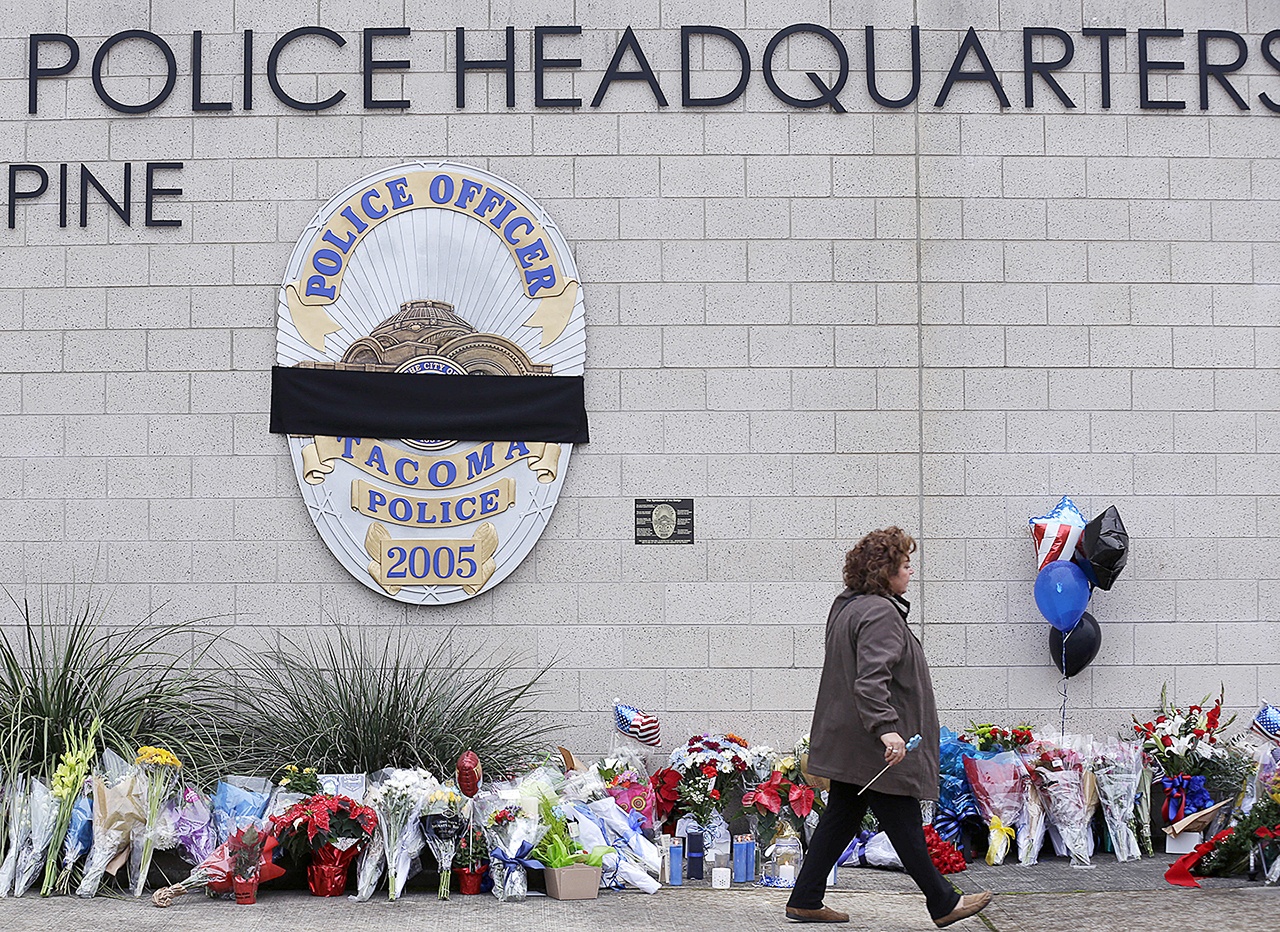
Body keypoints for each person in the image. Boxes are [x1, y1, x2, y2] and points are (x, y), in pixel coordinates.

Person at [785, 527, 992, 927]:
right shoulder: (880, 613)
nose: (911, 571)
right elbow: (870, 680)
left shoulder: (849, 606)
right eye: (905, 564)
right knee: (903, 821)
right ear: (885, 572)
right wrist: (887, 729)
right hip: (874, 746)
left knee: (842, 816)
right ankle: (942, 901)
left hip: (852, 742)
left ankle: (806, 898)